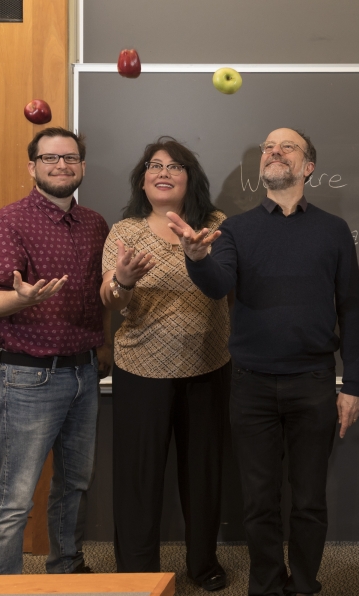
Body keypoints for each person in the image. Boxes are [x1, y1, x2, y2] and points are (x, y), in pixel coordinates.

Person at [166, 128, 359, 596]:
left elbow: (352, 309)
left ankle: (304, 584)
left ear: (308, 166)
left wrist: (353, 384)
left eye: (286, 146)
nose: (273, 152)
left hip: (313, 383)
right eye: (267, 148)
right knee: (259, 500)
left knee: (310, 500)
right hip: (252, 385)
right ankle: (267, 585)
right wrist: (197, 257)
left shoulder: (333, 230)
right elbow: (218, 284)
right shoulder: (236, 228)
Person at [0, 127, 111, 575]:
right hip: (29, 379)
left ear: (82, 167)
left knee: (74, 486)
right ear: (33, 167)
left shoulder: (94, 224)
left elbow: (100, 295)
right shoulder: (7, 222)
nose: (61, 165)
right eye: (50, 158)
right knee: (15, 497)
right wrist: (21, 299)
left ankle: (66, 568)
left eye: (70, 158)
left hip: (84, 375)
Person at [99, 138, 231, 591]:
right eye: (155, 165)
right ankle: (137, 573)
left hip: (208, 365)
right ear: (142, 179)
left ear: (190, 178)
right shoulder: (124, 232)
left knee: (204, 473)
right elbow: (109, 300)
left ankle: (203, 564)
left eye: (176, 166)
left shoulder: (216, 225)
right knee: (138, 476)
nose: (164, 172)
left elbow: (230, 286)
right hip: (141, 369)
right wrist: (122, 281)